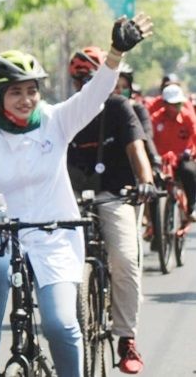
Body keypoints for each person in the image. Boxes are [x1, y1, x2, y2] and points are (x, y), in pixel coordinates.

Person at [0, 14, 152, 377]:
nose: (27, 100)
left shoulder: (56, 120)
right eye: (15, 91)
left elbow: (94, 95)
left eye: (32, 90)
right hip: (3, 231)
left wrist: (116, 54)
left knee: (60, 325)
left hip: (55, 234)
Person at [67, 46, 155, 374]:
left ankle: (125, 338)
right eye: (79, 80)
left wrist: (145, 180)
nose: (85, 86)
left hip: (115, 194)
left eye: (90, 78)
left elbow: (136, 147)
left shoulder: (119, 106)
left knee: (124, 258)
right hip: (72, 195)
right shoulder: (68, 109)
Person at [149, 83, 196, 221]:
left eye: (178, 104)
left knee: (190, 171)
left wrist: (191, 152)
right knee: (150, 181)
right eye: (172, 104)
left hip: (181, 158)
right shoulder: (155, 119)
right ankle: (153, 221)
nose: (176, 107)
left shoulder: (188, 117)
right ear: (164, 104)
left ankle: (193, 206)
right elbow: (148, 138)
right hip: (160, 161)